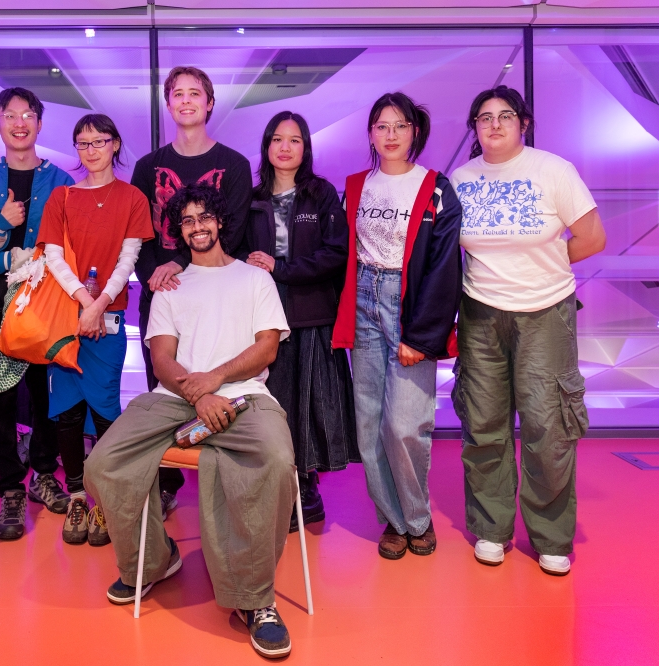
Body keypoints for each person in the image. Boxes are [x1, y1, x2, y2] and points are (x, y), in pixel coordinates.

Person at [84, 183, 297, 659]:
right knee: (102, 465)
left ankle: (255, 599)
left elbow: (267, 346)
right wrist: (197, 394)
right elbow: (161, 359)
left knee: (278, 460)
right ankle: (155, 561)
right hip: (175, 396)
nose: (197, 227)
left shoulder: (254, 279)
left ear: (219, 222)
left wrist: (215, 380)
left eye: (205, 218)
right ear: (179, 231)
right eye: (187, 221)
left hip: (244, 395)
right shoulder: (170, 286)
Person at [450, 86, 605, 576]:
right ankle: (492, 530)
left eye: (505, 116)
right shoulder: (461, 178)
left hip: (545, 313)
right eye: (484, 118)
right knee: (484, 426)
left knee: (548, 427)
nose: (494, 125)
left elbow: (592, 237)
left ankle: (552, 537)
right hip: (479, 313)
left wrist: (542, 269)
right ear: (474, 127)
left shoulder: (553, 170)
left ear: (523, 123)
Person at [332, 92, 463, 560]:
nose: (390, 135)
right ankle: (391, 519)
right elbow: (337, 256)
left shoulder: (436, 188)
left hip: (408, 306)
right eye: (382, 126)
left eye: (400, 126)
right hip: (364, 305)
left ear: (415, 133)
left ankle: (418, 519)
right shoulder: (353, 187)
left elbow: (445, 265)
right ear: (370, 134)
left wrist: (420, 335)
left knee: (405, 423)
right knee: (368, 424)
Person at [130, 66, 253, 517]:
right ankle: (166, 480)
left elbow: (234, 232)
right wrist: (153, 276)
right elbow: (140, 235)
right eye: (177, 94)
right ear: (168, 105)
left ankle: (223, 473)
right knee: (163, 382)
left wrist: (176, 263)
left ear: (209, 103)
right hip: (162, 292)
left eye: (194, 93)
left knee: (219, 376)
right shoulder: (148, 167)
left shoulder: (235, 165)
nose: (186, 101)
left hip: (216, 288)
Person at [39, 114, 154, 545]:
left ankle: (104, 498)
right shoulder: (62, 197)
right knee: (65, 407)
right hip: (65, 317)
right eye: (83, 143)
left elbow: (129, 260)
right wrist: (84, 303)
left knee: (105, 404)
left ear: (115, 143)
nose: (91, 150)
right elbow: (53, 256)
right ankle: (75, 497)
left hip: (109, 318)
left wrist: (100, 303)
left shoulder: (132, 198)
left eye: (99, 141)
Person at [0, 87, 75, 541]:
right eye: (9, 115)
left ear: (39, 123)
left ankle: (45, 476)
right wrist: (3, 251)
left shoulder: (62, 182)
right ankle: (11, 486)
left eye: (28, 114)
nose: (19, 122)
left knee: (47, 392)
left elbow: (72, 246)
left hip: (45, 303)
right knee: (0, 395)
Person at [244, 111, 357, 532]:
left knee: (310, 403)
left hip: (311, 313)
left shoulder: (321, 194)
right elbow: (237, 252)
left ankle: (307, 488)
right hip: (262, 318)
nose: (285, 147)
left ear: (305, 148)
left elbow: (335, 253)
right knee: (273, 402)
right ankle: (276, 483)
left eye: (294, 140)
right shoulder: (252, 198)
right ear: (267, 146)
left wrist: (282, 267)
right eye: (277, 139)